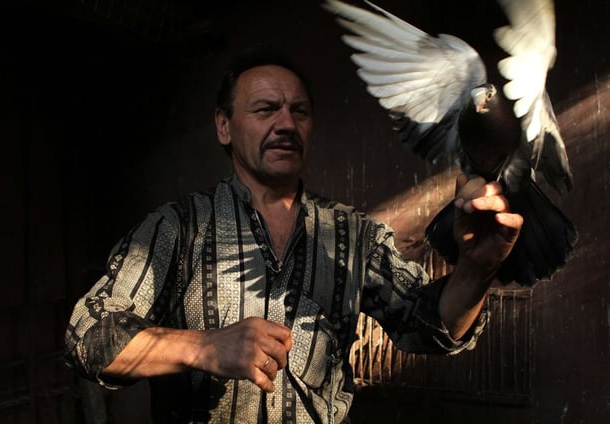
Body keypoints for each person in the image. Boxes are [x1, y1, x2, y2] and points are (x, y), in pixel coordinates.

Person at [64, 48, 523, 423]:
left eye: (298, 112)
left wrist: (476, 268)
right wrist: (203, 346)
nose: (286, 124)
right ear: (224, 126)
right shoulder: (178, 228)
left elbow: (430, 328)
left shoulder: (353, 234)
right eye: (266, 109)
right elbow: (87, 336)